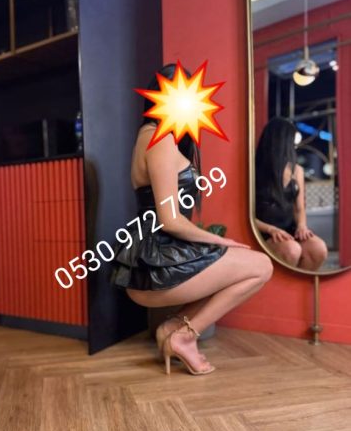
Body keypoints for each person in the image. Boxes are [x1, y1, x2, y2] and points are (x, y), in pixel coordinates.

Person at [110, 64, 273, 376]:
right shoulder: (158, 140)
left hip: (158, 255)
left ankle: (173, 328)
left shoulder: (156, 138)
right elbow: (169, 220)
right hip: (154, 263)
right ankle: (184, 336)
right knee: (261, 266)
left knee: (240, 265)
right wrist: (220, 240)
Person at [255, 116, 328, 270]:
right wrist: (271, 229)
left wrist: (302, 226)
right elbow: (246, 215)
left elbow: (299, 208)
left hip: (290, 229)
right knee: (291, 250)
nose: (294, 146)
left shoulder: (297, 170)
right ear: (282, 142)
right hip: (265, 231)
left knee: (318, 249)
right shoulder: (255, 170)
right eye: (292, 141)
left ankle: (301, 285)